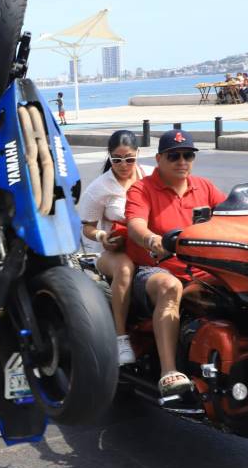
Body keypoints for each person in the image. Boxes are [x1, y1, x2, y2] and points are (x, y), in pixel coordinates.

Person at [125, 130, 226, 396]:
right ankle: (169, 372)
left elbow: (233, 214)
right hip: (155, 269)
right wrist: (152, 240)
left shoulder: (204, 186)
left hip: (202, 270)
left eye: (188, 155)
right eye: (174, 156)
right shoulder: (142, 188)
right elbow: (135, 224)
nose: (182, 161)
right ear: (159, 158)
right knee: (171, 288)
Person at [78, 130, 152, 365]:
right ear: (109, 157)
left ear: (138, 154)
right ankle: (121, 337)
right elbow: (87, 227)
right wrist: (102, 235)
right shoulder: (99, 187)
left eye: (129, 159)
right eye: (117, 159)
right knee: (126, 268)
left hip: (149, 244)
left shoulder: (151, 176)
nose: (123, 165)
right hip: (114, 251)